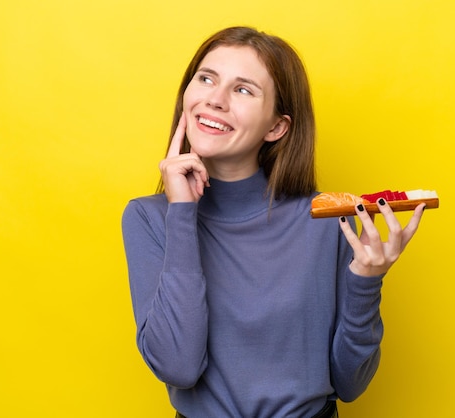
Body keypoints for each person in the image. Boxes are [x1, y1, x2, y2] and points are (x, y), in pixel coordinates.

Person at [121, 26, 426, 418]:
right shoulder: (148, 218)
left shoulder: (326, 218)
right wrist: (182, 214)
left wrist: (367, 281)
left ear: (276, 127)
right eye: (207, 78)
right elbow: (178, 367)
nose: (215, 100)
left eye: (243, 89)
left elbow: (350, 384)